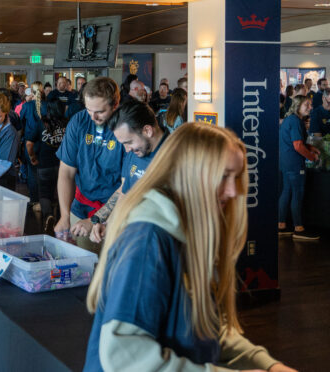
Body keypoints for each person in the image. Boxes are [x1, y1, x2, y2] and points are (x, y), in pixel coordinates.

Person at [84, 123, 296, 372]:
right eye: (223, 175)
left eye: (236, 177)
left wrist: (269, 366)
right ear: (189, 173)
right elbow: (125, 357)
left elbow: (209, 332)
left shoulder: (192, 233)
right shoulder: (148, 240)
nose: (233, 190)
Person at [80, 100, 169, 245]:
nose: (127, 150)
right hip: (133, 240)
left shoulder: (174, 154)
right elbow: (124, 192)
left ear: (147, 130)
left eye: (129, 142)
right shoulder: (135, 153)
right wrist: (108, 224)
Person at [54, 77, 124, 253]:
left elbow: (128, 185)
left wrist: (97, 220)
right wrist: (64, 215)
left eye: (100, 111)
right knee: (82, 266)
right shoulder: (79, 121)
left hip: (118, 210)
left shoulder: (126, 126)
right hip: (81, 207)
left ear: (115, 105)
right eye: (88, 109)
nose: (93, 117)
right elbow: (66, 172)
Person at [280, 95, 320, 241]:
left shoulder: (289, 119)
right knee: (297, 193)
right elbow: (297, 146)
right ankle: (299, 229)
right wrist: (312, 156)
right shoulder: (296, 121)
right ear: (297, 106)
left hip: (285, 162)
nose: (310, 107)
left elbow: (296, 142)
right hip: (295, 163)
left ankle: (281, 225)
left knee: (287, 191)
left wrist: (311, 147)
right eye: (306, 105)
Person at [30, 97, 67, 231]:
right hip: (63, 164)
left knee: (44, 193)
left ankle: (48, 216)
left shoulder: (41, 123)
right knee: (61, 192)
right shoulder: (67, 123)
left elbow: (29, 143)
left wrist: (33, 157)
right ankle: (61, 218)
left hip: (44, 163)